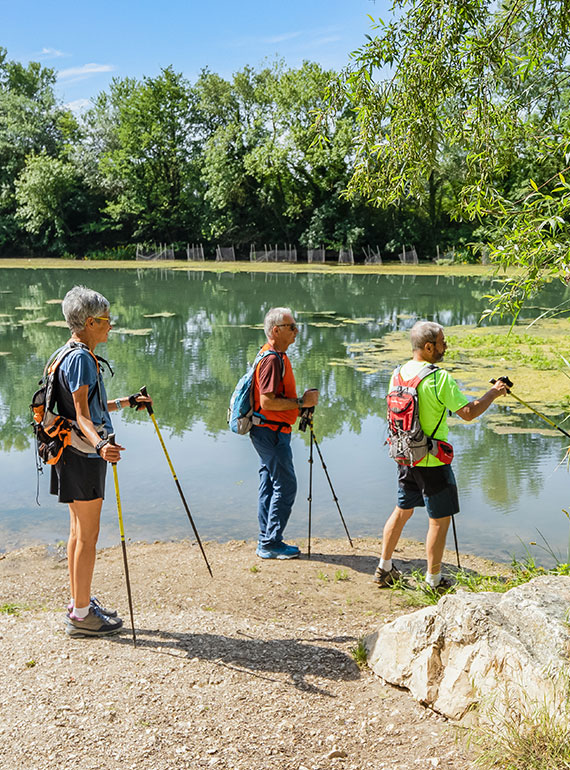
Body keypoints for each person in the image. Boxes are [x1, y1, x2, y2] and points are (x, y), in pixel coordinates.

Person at [375, 320, 508, 591]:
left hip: (405, 455)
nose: (445, 346)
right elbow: (468, 412)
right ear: (428, 346)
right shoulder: (438, 377)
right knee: (439, 520)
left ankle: (384, 568)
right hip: (432, 460)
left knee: (402, 511)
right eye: (442, 342)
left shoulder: (397, 374)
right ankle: (433, 581)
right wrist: (493, 393)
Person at [49, 285, 150, 637]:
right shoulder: (81, 359)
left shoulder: (67, 353)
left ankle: (81, 603)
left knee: (78, 533)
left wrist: (125, 402)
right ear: (89, 322)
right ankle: (81, 617)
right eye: (106, 319)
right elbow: (81, 415)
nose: (111, 325)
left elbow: (85, 407)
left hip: (69, 453)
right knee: (87, 537)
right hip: (83, 455)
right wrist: (101, 444)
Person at [249, 307, 319, 559]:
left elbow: (274, 400)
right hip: (271, 432)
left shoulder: (275, 355)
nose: (296, 331)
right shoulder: (271, 360)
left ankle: (266, 539)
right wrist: (302, 403)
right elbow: (267, 402)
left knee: (269, 483)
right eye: (291, 327)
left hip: (269, 430)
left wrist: (300, 408)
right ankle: (270, 542)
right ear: (276, 330)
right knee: (286, 485)